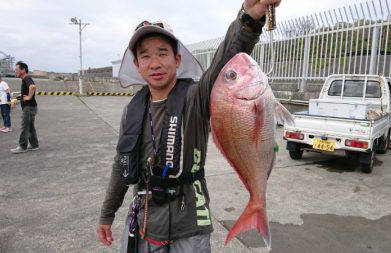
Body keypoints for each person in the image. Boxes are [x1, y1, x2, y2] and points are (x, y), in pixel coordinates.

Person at [97, 0, 281, 252]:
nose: (155, 63)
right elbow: (122, 163)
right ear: (137, 66)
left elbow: (225, 60)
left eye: (163, 53)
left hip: (191, 225)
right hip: (144, 222)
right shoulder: (132, 109)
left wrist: (250, 18)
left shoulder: (196, 97)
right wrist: (107, 214)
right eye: (145, 56)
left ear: (177, 58)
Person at [10, 61, 39, 154]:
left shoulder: (26, 78)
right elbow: (31, 88)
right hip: (31, 106)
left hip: (29, 107)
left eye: (17, 69)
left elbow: (33, 87)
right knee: (30, 126)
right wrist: (22, 96)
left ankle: (22, 146)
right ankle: (34, 145)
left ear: (23, 70)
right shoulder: (25, 79)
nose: (15, 71)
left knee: (25, 126)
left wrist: (29, 97)